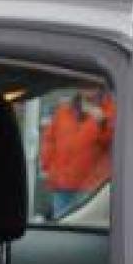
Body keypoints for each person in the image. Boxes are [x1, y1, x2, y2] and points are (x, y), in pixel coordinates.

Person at [40, 88, 116, 219]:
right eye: (83, 83)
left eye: (92, 83)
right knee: (61, 226)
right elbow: (50, 139)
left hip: (91, 188)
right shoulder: (64, 110)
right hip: (62, 184)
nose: (88, 87)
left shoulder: (110, 110)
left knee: (84, 226)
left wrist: (102, 121)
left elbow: (112, 143)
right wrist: (48, 166)